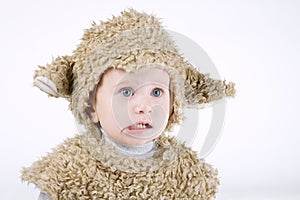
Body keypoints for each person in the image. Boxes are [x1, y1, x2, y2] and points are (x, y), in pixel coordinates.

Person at [21, 9, 235, 199]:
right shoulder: (69, 170)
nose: (144, 106)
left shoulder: (186, 173)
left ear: (173, 106)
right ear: (90, 107)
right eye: (126, 91)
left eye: (157, 92)